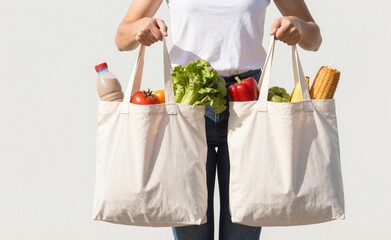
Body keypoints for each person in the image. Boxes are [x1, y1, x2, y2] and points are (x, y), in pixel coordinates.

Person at [115, 0, 322, 239]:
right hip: (188, 101)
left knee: (243, 229)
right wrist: (139, 28)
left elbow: (313, 38)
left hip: (247, 101)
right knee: (189, 227)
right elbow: (122, 38)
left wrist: (298, 27)